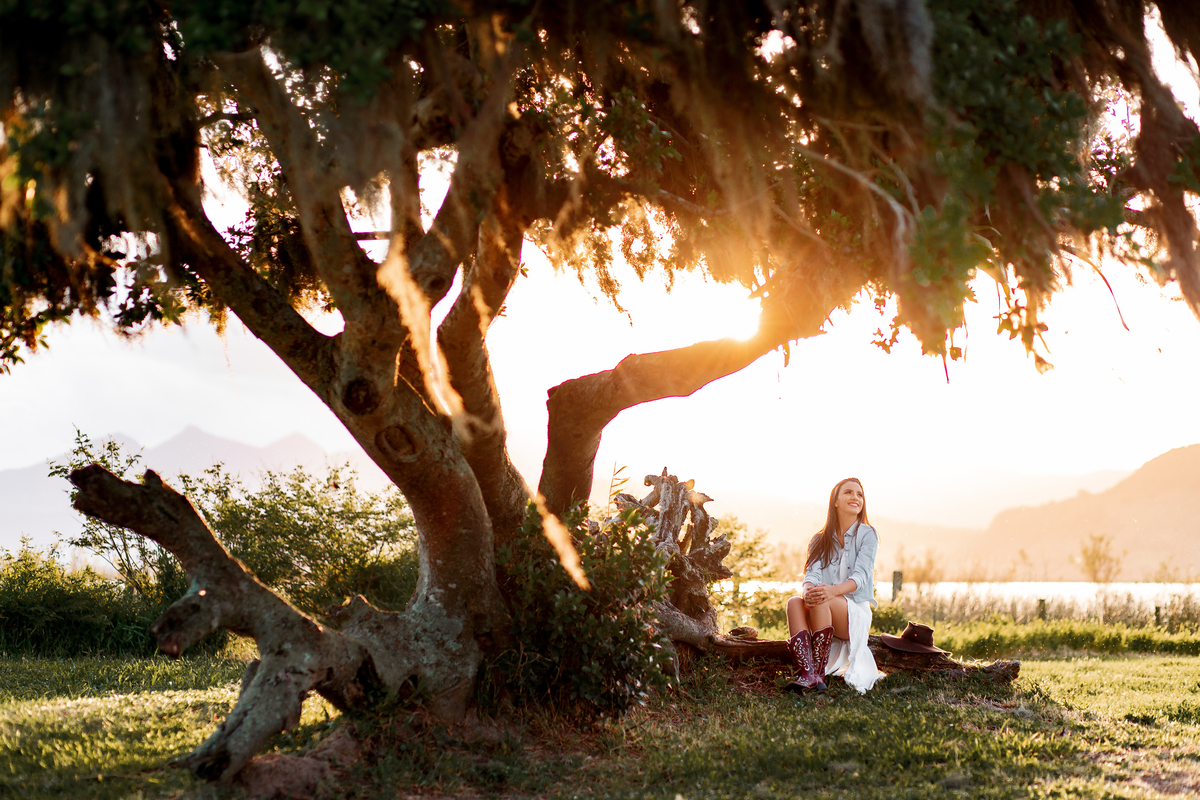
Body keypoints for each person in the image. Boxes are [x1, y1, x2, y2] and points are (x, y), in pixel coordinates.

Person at [782, 477, 883, 694]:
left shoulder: (868, 534)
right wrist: (808, 591)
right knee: (794, 603)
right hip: (824, 605)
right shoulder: (819, 539)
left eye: (859, 494)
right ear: (835, 501)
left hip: (853, 612)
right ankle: (807, 674)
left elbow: (861, 577)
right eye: (848, 492)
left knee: (822, 598)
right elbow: (812, 574)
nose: (855, 497)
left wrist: (831, 591)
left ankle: (818, 672)